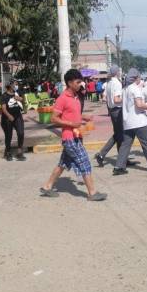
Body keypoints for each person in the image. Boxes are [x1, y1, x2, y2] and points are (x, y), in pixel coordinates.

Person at [39, 69, 107, 202]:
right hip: (69, 138)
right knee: (85, 162)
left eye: (80, 81)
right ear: (69, 83)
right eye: (78, 81)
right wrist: (72, 124)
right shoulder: (62, 98)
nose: (80, 83)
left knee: (63, 164)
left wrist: (83, 117)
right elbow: (54, 119)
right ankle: (92, 193)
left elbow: (72, 114)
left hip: (76, 136)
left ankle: (47, 187)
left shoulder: (76, 97)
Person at [112, 68, 147, 175]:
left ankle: (118, 167)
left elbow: (120, 102)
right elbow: (139, 104)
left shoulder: (125, 89)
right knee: (146, 144)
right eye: (139, 77)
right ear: (136, 78)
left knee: (125, 145)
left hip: (127, 122)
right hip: (139, 121)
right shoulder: (135, 89)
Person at [95, 66, 124, 167]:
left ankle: (121, 158)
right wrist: (126, 98)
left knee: (119, 135)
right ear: (117, 72)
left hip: (111, 110)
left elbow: (104, 98)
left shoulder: (108, 83)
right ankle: (102, 154)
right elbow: (117, 100)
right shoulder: (117, 83)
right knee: (120, 135)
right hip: (117, 110)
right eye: (119, 71)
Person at [0, 81, 26, 161]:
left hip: (18, 116)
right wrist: (9, 115)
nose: (16, 86)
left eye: (16, 84)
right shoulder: (4, 96)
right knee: (8, 136)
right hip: (7, 118)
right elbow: (3, 108)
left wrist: (20, 99)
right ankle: (8, 152)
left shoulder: (17, 93)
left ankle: (19, 152)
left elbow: (23, 100)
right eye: (15, 84)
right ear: (10, 86)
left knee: (21, 133)